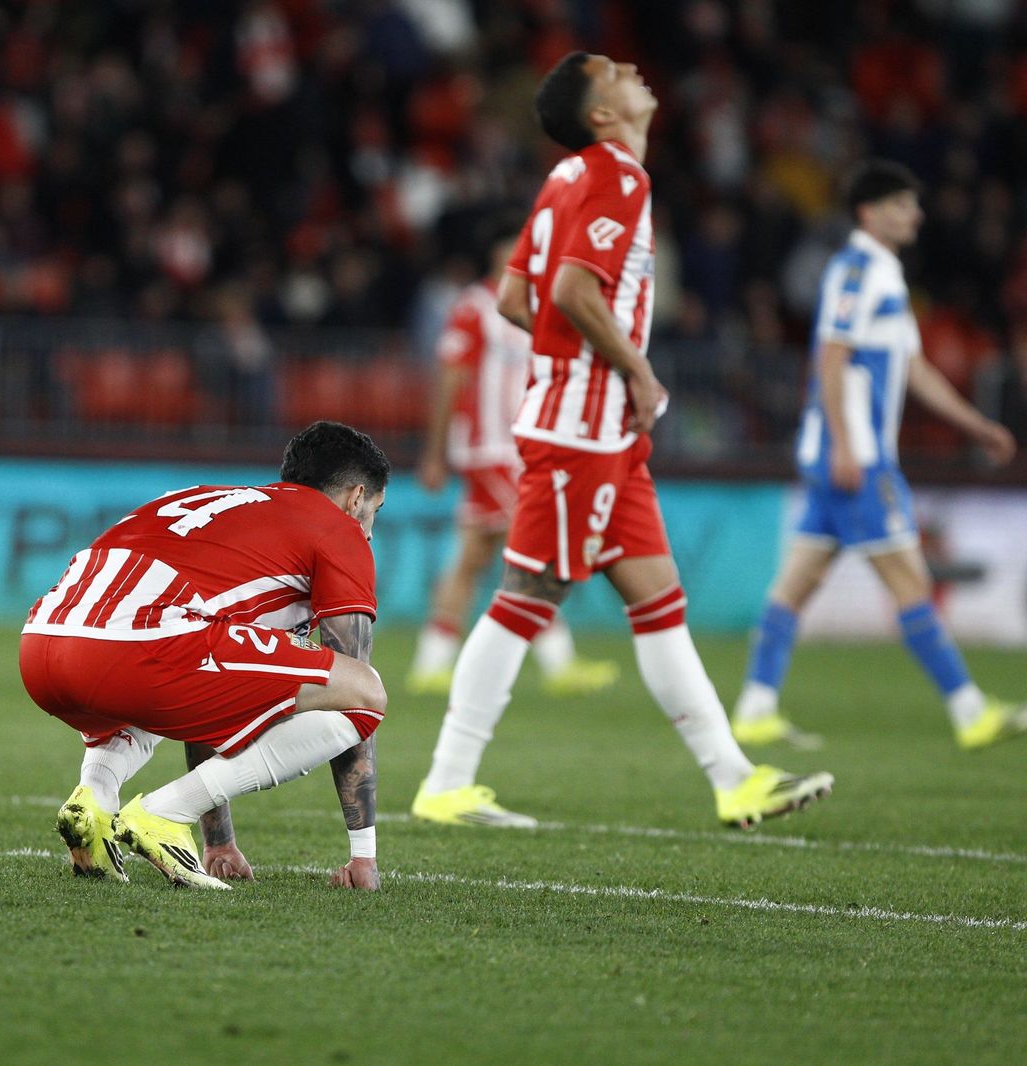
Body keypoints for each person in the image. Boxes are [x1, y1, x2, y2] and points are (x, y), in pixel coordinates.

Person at [414, 51, 832, 830]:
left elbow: (515, 297)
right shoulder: (615, 177)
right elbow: (569, 292)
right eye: (611, 71)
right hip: (582, 431)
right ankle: (445, 781)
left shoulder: (566, 178)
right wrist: (633, 370)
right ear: (601, 113)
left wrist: (577, 360)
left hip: (598, 430)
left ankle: (733, 778)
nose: (635, 68)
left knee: (660, 605)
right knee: (525, 599)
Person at [19, 421, 390, 890]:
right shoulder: (337, 528)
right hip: (139, 650)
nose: (370, 532)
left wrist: (219, 843)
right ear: (356, 498)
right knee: (364, 690)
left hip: (42, 643)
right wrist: (363, 856)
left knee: (181, 661)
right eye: (375, 512)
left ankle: (94, 799)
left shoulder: (210, 499)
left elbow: (216, 695)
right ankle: (165, 813)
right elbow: (351, 685)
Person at [731, 160, 1024, 751]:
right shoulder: (859, 270)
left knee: (797, 583)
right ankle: (970, 711)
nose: (914, 214)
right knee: (909, 579)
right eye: (902, 204)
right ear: (871, 212)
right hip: (855, 456)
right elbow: (831, 359)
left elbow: (912, 368)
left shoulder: (886, 273)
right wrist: (845, 444)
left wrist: (976, 424)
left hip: (843, 451)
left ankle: (755, 707)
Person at [407, 216, 620, 705]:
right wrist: (436, 453)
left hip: (518, 449)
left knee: (473, 557)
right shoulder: (475, 308)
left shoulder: (536, 307)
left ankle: (431, 661)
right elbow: (449, 378)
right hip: (490, 450)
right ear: (499, 256)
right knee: (531, 546)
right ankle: (559, 661)